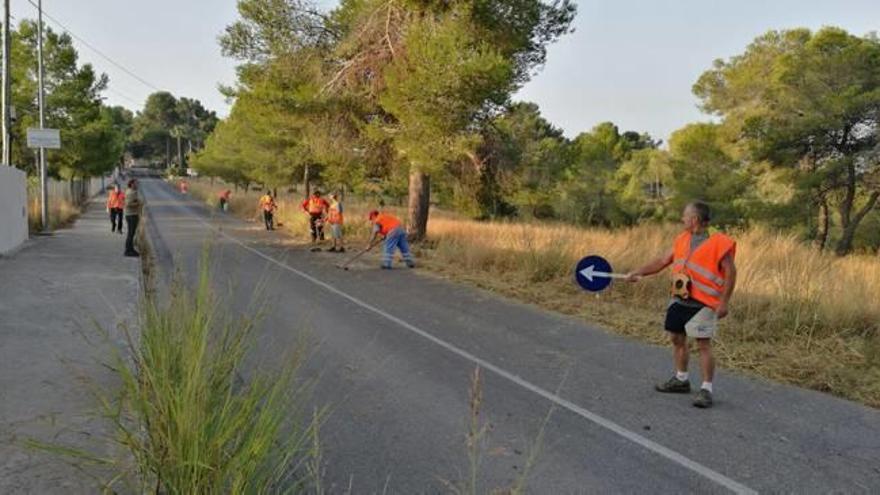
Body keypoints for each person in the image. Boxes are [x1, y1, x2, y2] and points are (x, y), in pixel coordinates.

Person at [625, 201, 737, 409]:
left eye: (685, 215)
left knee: (703, 344)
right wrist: (638, 271)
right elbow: (662, 261)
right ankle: (681, 379)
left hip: (704, 303)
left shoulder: (719, 241)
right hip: (680, 298)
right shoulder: (682, 238)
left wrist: (724, 302)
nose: (682, 219)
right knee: (676, 338)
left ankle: (706, 390)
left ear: (694, 219)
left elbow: (731, 272)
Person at [123, 179, 145, 257]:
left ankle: (131, 249)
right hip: (131, 215)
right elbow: (128, 204)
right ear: (132, 184)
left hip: (131, 214)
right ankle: (128, 251)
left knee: (131, 233)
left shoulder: (130, 191)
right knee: (131, 234)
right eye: (136, 183)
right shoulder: (131, 192)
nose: (137, 185)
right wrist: (139, 203)